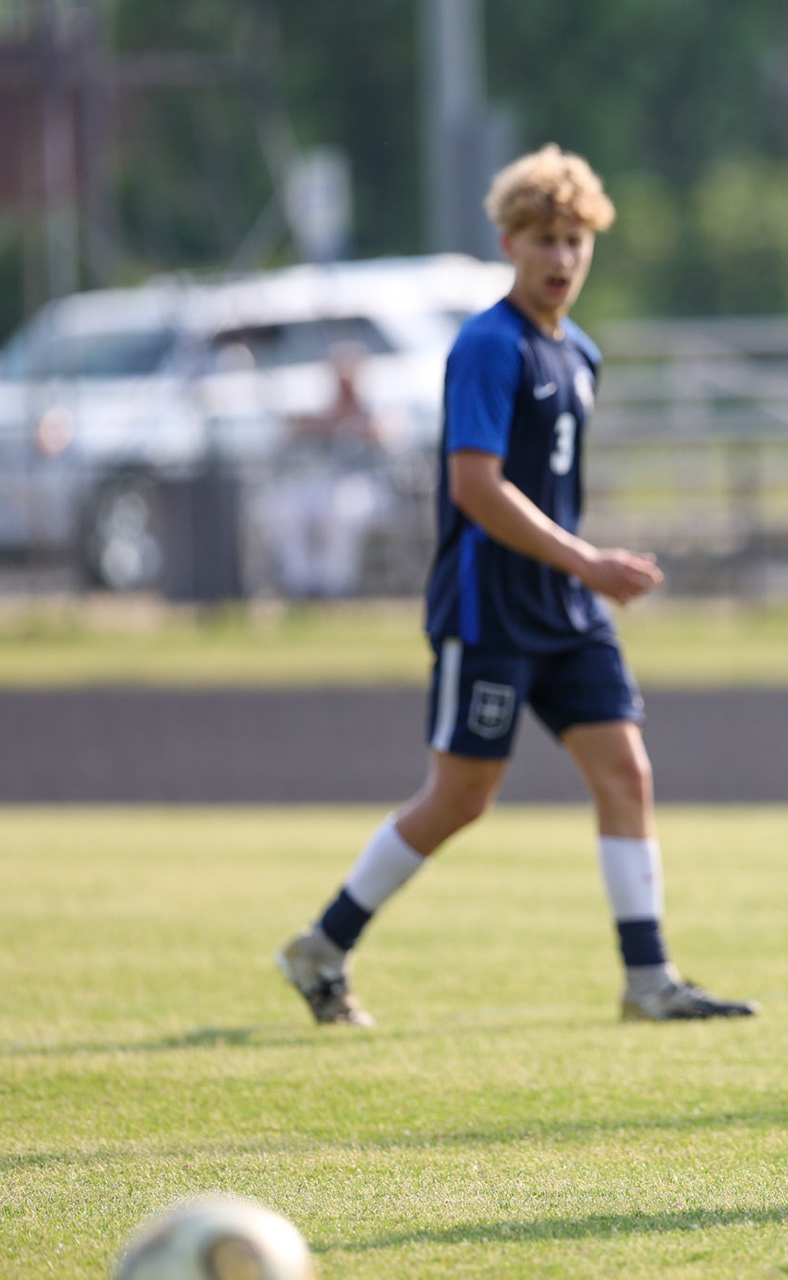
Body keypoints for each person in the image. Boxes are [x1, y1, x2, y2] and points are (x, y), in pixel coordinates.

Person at [277, 144, 755, 1025]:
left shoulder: (581, 354)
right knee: (461, 797)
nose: (562, 258)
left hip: (567, 611)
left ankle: (648, 978)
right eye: (543, 239)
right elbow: (476, 488)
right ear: (508, 243)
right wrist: (589, 562)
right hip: (488, 607)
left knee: (626, 770)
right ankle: (322, 944)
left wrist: (581, 575)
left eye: (576, 240)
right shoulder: (488, 345)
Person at [264, 343, 388, 599]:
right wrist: (324, 422)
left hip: (368, 486)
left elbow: (387, 433)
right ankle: (301, 585)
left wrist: (356, 422)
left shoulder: (374, 407)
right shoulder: (324, 409)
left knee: (341, 513)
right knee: (286, 512)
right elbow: (289, 432)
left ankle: (335, 588)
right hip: (324, 484)